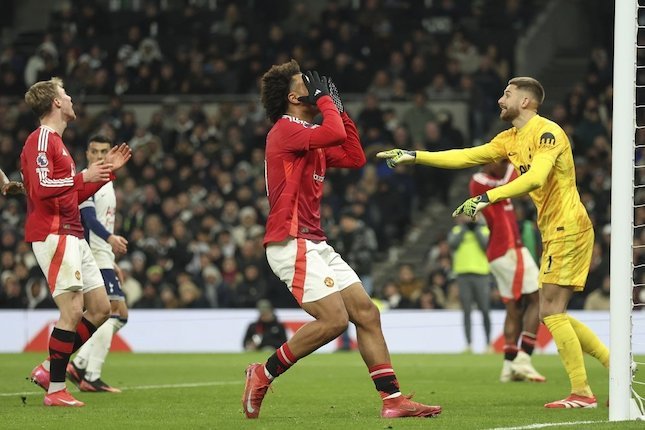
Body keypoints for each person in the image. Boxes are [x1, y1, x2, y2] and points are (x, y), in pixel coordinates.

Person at [377, 77, 610, 408]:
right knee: (549, 310)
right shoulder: (510, 139)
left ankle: (582, 392)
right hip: (555, 229)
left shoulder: (548, 133)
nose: (501, 99)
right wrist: (415, 156)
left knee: (550, 311)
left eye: (507, 94)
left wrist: (487, 197)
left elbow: (535, 177)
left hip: (568, 225)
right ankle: (612, 366)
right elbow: (465, 156)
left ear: (526, 101)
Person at [242, 60, 441, 419]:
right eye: (306, 84)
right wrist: (329, 105)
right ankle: (263, 373)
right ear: (292, 96)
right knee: (333, 321)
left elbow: (353, 155)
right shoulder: (285, 130)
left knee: (366, 312)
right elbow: (334, 135)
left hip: (315, 242)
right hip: (291, 240)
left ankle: (393, 400)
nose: (314, 88)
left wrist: (339, 109)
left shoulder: (307, 134)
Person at [22, 77, 131, 407]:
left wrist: (107, 172)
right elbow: (42, 187)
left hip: (73, 235)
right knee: (71, 311)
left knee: (100, 309)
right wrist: (82, 176)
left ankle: (47, 369)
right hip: (54, 233)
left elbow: (72, 192)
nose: (70, 99)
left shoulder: (58, 144)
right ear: (56, 103)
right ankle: (56, 390)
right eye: (65, 94)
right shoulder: (42, 138)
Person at [470, 160, 545, 383]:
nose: (506, 165)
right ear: (489, 161)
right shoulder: (479, 181)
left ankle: (508, 366)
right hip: (508, 250)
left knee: (514, 307)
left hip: (502, 251)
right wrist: (518, 160)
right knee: (537, 298)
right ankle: (524, 359)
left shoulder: (496, 183)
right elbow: (508, 182)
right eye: (502, 160)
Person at [66, 135, 129, 393]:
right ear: (87, 154)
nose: (100, 156)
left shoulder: (106, 180)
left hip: (103, 256)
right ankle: (89, 373)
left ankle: (79, 365)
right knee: (115, 312)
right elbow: (88, 218)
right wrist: (110, 239)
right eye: (95, 152)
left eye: (105, 151)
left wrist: (111, 260)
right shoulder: (87, 177)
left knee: (117, 314)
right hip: (92, 253)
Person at [448, 214, 492, 353]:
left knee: (485, 309)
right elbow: (452, 244)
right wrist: (464, 228)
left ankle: (488, 343)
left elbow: (485, 246)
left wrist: (476, 228)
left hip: (481, 274)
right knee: (466, 311)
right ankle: (468, 344)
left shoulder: (484, 230)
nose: (469, 219)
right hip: (463, 274)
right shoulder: (457, 230)